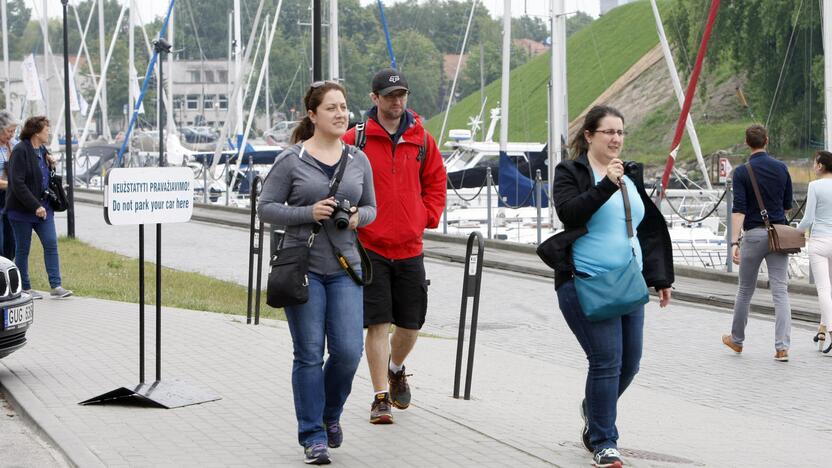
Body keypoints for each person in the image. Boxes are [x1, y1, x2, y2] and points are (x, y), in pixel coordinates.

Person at [257, 81, 377, 465]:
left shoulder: (359, 159)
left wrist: (358, 217)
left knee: (347, 352)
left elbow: (373, 207)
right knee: (309, 354)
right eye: (331, 108)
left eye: (343, 106)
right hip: (303, 268)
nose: (341, 114)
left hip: (345, 267)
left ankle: (329, 415)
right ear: (312, 115)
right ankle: (313, 435)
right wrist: (308, 213)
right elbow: (266, 208)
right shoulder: (291, 160)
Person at [549, 105, 673, 468]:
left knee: (629, 363)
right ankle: (604, 441)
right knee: (605, 360)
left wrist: (660, 277)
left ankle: (594, 408)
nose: (616, 139)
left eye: (621, 132)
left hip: (628, 283)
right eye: (609, 132)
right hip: (585, 281)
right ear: (589, 135)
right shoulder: (571, 172)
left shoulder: (630, 173)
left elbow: (647, 227)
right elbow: (570, 212)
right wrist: (606, 184)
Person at [342, 68, 446, 424]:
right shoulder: (355, 139)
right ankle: (379, 397)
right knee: (377, 324)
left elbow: (436, 181)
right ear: (374, 99)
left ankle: (395, 367)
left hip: (410, 246)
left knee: (411, 324)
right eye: (389, 96)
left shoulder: (422, 139)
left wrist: (426, 216)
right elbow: (335, 178)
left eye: (401, 94)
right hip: (369, 247)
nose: (396, 101)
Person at [723, 124, 793, 362]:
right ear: (767, 140)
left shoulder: (742, 172)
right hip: (778, 235)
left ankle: (737, 340)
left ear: (746, 143)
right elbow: (786, 205)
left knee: (744, 290)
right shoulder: (782, 168)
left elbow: (738, 210)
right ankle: (782, 347)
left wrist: (734, 242)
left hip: (753, 234)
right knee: (780, 291)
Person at [6, 116, 72, 299]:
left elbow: (43, 176)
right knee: (22, 250)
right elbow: (17, 184)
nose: (49, 132)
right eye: (46, 129)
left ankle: (56, 286)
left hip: (44, 209)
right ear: (36, 131)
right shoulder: (20, 151)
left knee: (51, 244)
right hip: (21, 211)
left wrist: (50, 161)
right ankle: (24, 288)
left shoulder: (42, 149)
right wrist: (35, 206)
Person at [796, 150, 832, 351]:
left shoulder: (814, 186)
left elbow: (808, 219)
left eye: (814, 163)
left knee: (824, 290)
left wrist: (796, 231)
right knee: (831, 290)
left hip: (819, 241)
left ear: (820, 166)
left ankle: (830, 330)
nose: (813, 166)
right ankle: (822, 328)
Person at [0, 110, 19, 260]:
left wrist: (47, 155)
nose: (11, 134)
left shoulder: (13, 144)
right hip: (3, 191)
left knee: (11, 236)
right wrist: (13, 185)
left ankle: (9, 267)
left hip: (10, 196)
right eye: (9, 131)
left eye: (13, 131)